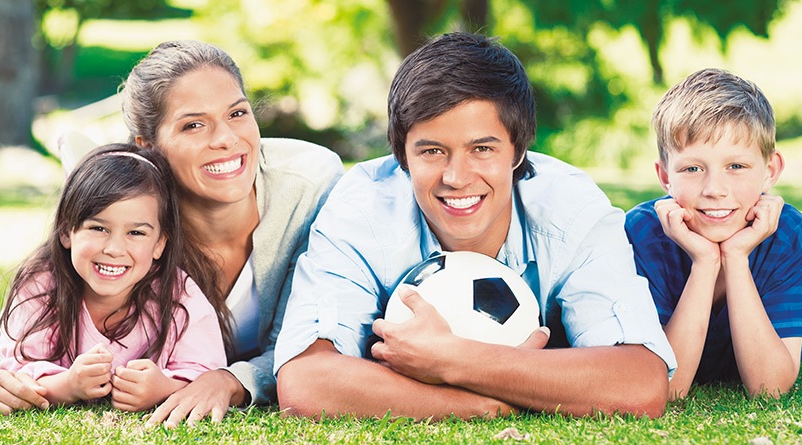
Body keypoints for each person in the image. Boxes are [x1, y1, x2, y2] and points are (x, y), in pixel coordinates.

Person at [274, 32, 676, 420]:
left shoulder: (571, 209)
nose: (456, 177)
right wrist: (488, 405)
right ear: (402, 157)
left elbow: (640, 382)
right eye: (432, 151)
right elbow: (306, 381)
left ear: (518, 150)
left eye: (482, 149)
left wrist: (452, 359)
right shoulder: (361, 209)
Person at [0, 40, 344, 425]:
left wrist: (231, 381)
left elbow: (311, 339)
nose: (225, 138)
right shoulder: (129, 213)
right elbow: (13, 325)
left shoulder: (309, 186)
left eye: (237, 113)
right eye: (193, 124)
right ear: (149, 145)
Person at [0, 144, 226, 410]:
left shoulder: (180, 295)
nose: (114, 249)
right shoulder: (42, 285)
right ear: (67, 231)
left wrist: (164, 389)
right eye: (98, 228)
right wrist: (68, 385)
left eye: (136, 233)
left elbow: (207, 374)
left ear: (160, 243)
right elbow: (16, 373)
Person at [625, 68, 802, 400]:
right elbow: (665, 388)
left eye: (736, 166)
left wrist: (736, 258)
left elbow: (770, 388)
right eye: (692, 169)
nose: (715, 190)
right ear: (665, 176)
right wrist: (705, 263)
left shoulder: (789, 235)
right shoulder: (641, 234)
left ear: (770, 171)